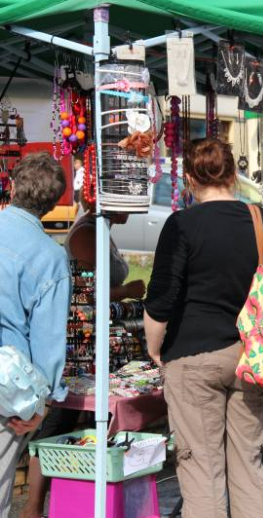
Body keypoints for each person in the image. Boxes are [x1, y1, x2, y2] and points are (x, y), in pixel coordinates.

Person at [144, 138, 263, 518]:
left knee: (202, 469)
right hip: (250, 359)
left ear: (188, 180)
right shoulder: (261, 221)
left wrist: (154, 347)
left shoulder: (181, 224)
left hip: (194, 355)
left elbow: (161, 299)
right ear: (233, 175)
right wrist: (259, 329)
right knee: (248, 466)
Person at [20, 195, 147, 518]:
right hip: (83, 344)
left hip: (96, 340)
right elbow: (89, 290)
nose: (133, 211)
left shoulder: (99, 229)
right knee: (62, 419)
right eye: (127, 203)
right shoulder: (87, 232)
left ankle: (93, 500)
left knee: (91, 423)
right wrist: (128, 291)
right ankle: (34, 506)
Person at [0, 153, 70, 518]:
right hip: (6, 386)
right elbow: (48, 340)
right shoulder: (49, 257)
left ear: (12, 186)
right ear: (53, 203)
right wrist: (42, 404)